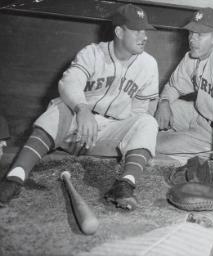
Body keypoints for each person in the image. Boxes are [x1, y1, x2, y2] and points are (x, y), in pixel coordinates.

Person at [0, 4, 159, 210]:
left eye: (145, 30)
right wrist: (82, 109)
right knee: (59, 107)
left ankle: (125, 185)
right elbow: (69, 82)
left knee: (147, 121)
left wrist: (129, 143)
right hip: (74, 127)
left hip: (108, 135)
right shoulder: (92, 53)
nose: (143, 36)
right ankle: (15, 178)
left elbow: (140, 110)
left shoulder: (148, 64)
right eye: (137, 30)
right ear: (119, 32)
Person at [155, 7, 213, 184]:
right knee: (151, 107)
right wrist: (164, 102)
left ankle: (212, 158)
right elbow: (173, 86)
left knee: (154, 145)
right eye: (191, 33)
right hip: (197, 114)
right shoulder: (193, 56)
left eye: (200, 34)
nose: (192, 39)